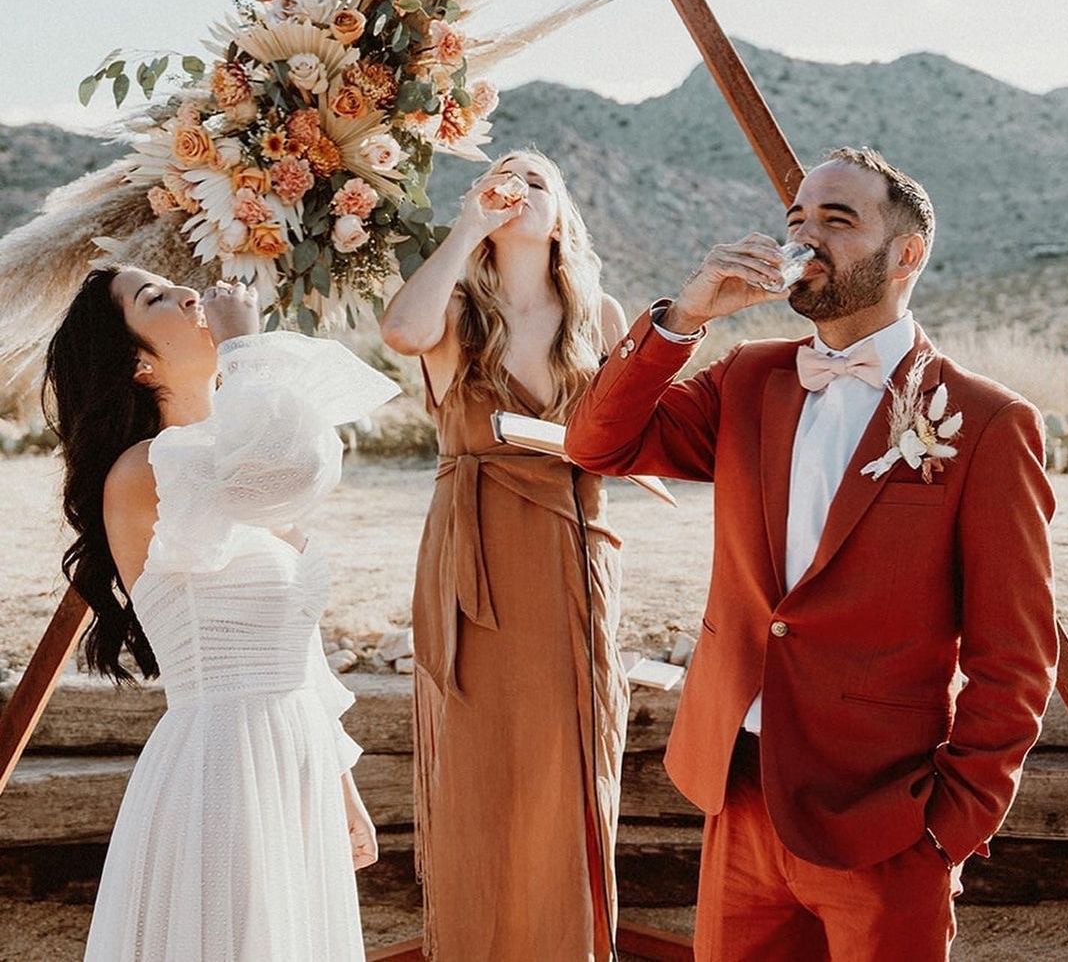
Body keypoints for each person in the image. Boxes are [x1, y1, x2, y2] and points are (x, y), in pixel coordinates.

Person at [565, 147, 1057, 962]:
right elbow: (596, 443)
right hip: (739, 791)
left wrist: (949, 829)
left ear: (906, 255)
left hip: (886, 817)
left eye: (838, 219)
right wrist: (684, 317)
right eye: (798, 219)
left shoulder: (986, 422)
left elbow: (1015, 655)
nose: (807, 237)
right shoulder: (747, 380)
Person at [43, 268, 398, 961]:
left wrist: (336, 778)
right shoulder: (149, 467)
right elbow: (289, 468)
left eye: (177, 284)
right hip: (226, 762)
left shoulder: (219, 460)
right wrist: (241, 345)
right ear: (140, 364)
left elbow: (295, 650)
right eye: (154, 299)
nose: (187, 295)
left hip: (289, 755)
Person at [380, 150, 630, 961]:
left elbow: (629, 431)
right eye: (502, 175)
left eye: (537, 180)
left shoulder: (602, 317)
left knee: (568, 758)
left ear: (563, 211)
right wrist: (467, 228)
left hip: (571, 542)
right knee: (481, 764)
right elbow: (400, 331)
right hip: (476, 545)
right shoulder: (455, 311)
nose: (518, 189)